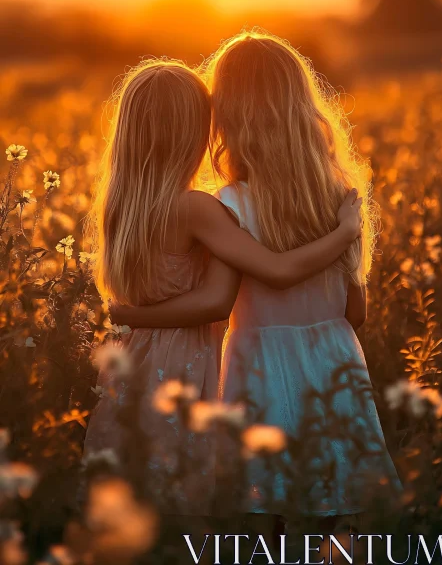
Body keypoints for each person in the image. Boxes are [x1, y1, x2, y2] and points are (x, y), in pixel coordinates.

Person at [111, 34, 396, 525]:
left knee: (265, 512)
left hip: (259, 364)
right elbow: (358, 312)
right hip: (337, 361)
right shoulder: (341, 195)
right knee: (337, 507)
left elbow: (224, 297)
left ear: (227, 120)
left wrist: (128, 314)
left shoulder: (231, 203)